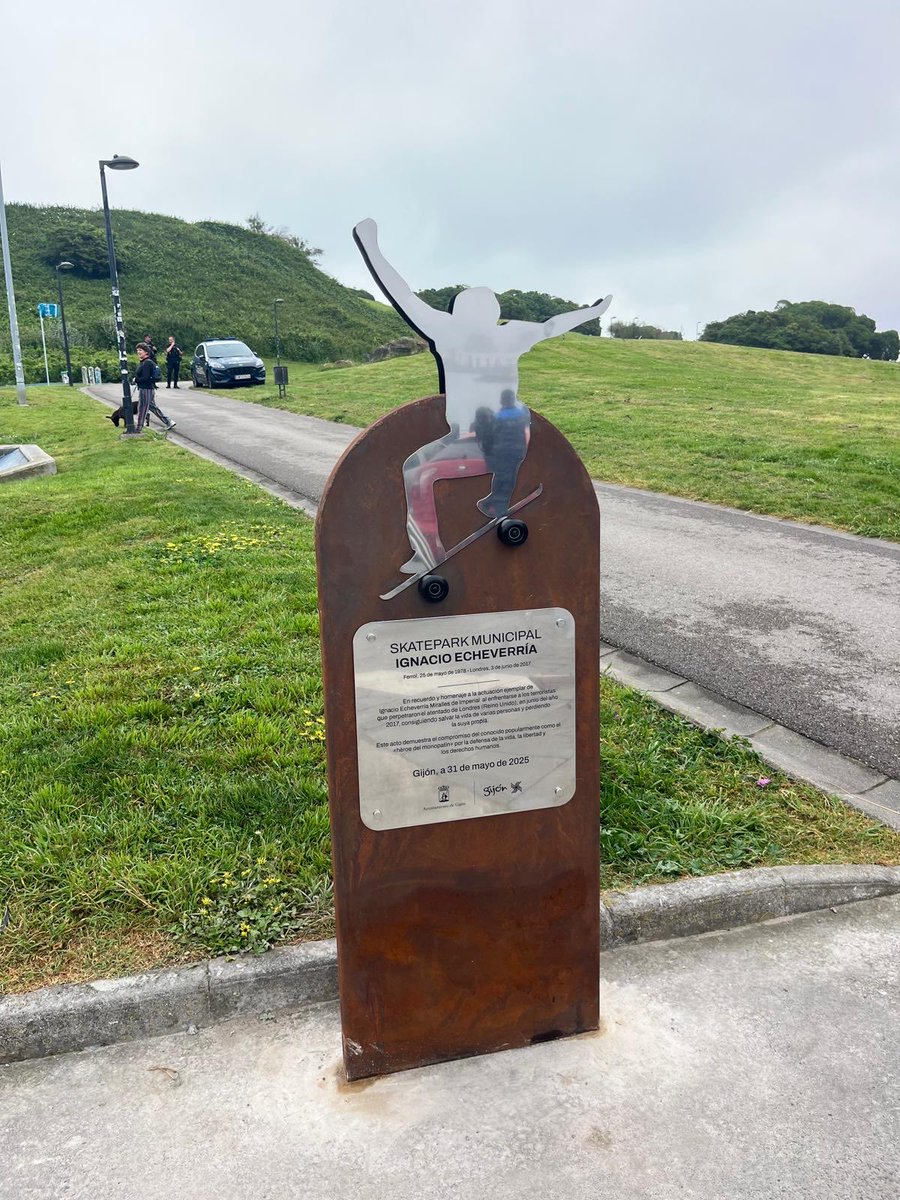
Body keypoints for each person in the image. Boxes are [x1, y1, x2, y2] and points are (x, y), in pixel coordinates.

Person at [353, 218, 611, 573]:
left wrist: (371, 248)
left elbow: (403, 294)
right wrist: (592, 312)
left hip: (477, 443)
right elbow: (553, 325)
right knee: (421, 467)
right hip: (511, 440)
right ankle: (493, 501)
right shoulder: (509, 334)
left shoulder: (447, 330)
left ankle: (431, 550)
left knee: (416, 470)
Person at [133, 343, 176, 432]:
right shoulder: (144, 362)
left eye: (140, 350)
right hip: (147, 389)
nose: (138, 352)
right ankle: (168, 421)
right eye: (137, 350)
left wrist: (136, 380)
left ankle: (138, 428)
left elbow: (146, 378)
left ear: (146, 352)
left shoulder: (147, 363)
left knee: (142, 408)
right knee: (152, 407)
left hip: (146, 389)